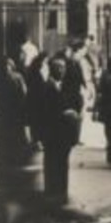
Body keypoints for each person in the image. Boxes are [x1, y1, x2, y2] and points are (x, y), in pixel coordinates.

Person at [31, 55, 84, 205]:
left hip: (60, 134)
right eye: (58, 67)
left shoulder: (58, 86)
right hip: (54, 133)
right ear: (52, 69)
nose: (62, 70)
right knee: (54, 164)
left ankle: (59, 192)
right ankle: (55, 193)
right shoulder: (48, 86)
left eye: (63, 67)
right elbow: (47, 111)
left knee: (59, 164)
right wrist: (65, 113)